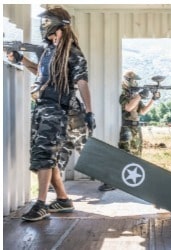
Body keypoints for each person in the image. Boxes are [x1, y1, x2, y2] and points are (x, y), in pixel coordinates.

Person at [21, 7, 94, 221]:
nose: (43, 26)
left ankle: (41, 204)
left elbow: (82, 81)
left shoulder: (72, 52)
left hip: (56, 109)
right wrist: (21, 60)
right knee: (42, 156)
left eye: (46, 22)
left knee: (45, 155)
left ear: (58, 24)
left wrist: (89, 111)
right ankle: (63, 199)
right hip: (42, 107)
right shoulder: (49, 50)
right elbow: (42, 74)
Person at [7, 43, 90, 182]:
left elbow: (41, 72)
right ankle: (56, 189)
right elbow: (40, 72)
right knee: (60, 154)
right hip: (62, 117)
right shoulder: (53, 61)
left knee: (86, 151)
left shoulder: (65, 59)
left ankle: (110, 178)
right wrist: (21, 58)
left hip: (71, 115)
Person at [97, 70, 160, 191]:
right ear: (127, 81)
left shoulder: (134, 96)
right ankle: (111, 182)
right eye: (133, 80)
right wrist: (140, 96)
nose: (135, 82)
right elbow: (128, 107)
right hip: (127, 128)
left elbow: (142, 111)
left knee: (137, 156)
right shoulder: (124, 95)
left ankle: (133, 182)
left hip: (136, 128)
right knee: (123, 155)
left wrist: (153, 99)